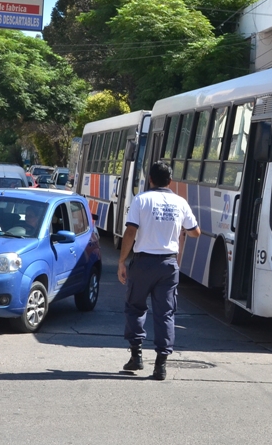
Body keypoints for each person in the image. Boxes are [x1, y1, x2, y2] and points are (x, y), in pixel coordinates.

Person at [118, 162, 201, 380]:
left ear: (150, 180)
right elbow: (196, 232)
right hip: (168, 265)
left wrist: (122, 261)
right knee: (165, 313)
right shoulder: (180, 202)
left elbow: (130, 232)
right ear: (170, 181)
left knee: (135, 307)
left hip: (143, 263)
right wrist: (179, 228)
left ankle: (136, 357)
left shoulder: (141, 200)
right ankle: (161, 365)